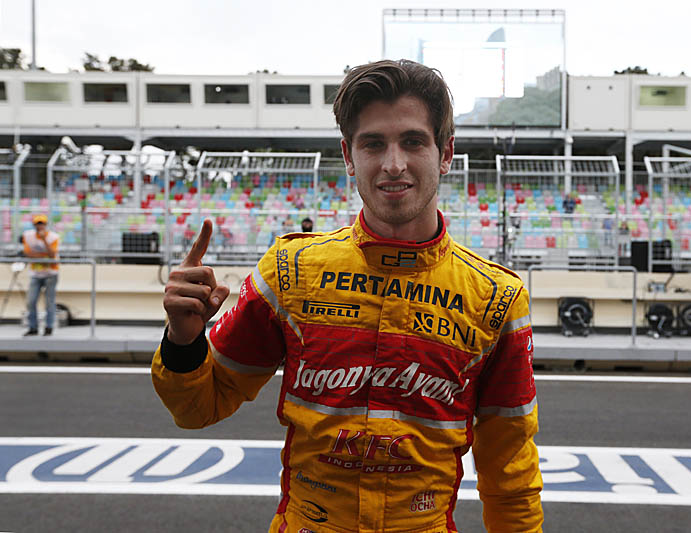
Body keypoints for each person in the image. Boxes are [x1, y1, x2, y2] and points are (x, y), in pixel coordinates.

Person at [152, 59, 543, 532]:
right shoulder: (290, 272)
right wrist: (183, 339)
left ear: (445, 154)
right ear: (348, 154)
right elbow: (197, 408)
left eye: (413, 141)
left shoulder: (496, 299)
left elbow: (511, 478)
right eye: (373, 143)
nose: (393, 164)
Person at [22, 214, 60, 336]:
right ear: (34, 225)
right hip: (35, 274)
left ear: (46, 224)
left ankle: (49, 328)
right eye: (38, 224)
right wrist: (44, 256)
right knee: (31, 301)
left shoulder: (53, 237)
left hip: (51, 274)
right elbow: (28, 254)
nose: (40, 226)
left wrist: (44, 240)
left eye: (42, 223)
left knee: (49, 302)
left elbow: (52, 254)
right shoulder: (28, 236)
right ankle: (33, 328)